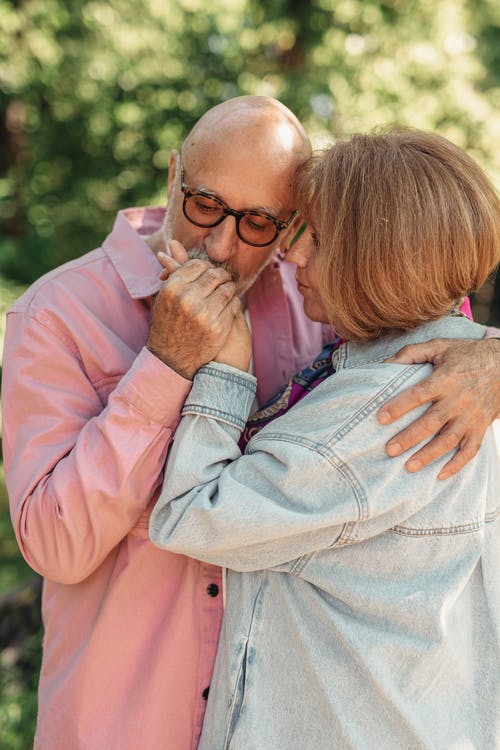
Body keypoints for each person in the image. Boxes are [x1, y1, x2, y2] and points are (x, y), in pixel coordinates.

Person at [1, 97, 498, 750]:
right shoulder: (57, 314)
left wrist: (492, 354)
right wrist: (165, 366)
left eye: (261, 223)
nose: (222, 244)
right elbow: (55, 545)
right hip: (123, 723)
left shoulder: (317, 294)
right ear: (175, 174)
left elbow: (417, 295)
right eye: (205, 204)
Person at [150, 128, 500, 749]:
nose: (293, 256)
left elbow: (189, 516)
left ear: (380, 257)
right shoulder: (470, 371)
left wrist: (227, 370)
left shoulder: (381, 414)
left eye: (318, 236)